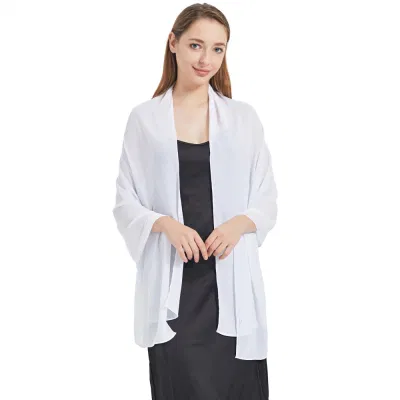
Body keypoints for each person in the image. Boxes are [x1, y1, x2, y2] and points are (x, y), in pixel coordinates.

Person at [112, 3, 278, 399]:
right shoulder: (145, 120)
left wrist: (239, 225)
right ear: (173, 43)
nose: (206, 60)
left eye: (218, 49)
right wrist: (165, 224)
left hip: (231, 285)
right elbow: (125, 202)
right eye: (196, 45)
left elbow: (267, 198)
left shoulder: (243, 119)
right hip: (175, 288)